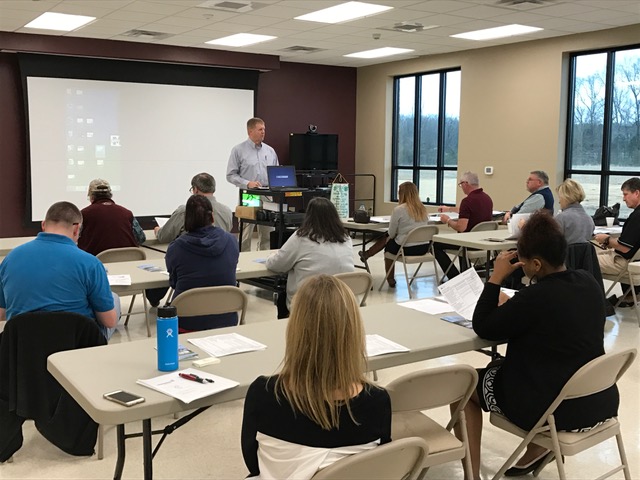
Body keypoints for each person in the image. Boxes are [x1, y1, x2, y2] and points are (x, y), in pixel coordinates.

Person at [460, 212, 618, 480]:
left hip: (554, 410)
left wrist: (495, 278)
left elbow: (484, 327)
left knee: (464, 386)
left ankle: (471, 476)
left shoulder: (534, 298)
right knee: (554, 369)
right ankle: (536, 451)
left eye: (522, 262)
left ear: (535, 263)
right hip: (598, 401)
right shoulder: (588, 282)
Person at [241, 275, 391, 480]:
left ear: (295, 329)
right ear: (354, 331)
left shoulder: (263, 394)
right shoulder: (377, 402)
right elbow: (379, 466)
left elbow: (253, 463)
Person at [0, 201, 119, 341]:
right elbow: (109, 322)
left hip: (23, 347)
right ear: (77, 229)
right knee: (114, 299)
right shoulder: (90, 263)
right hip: (76, 346)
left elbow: (2, 313)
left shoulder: (10, 258)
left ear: (43, 225)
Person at [266, 197, 353, 316]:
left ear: (308, 216)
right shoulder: (346, 238)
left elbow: (276, 265)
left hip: (308, 306)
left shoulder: (301, 237)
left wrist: (272, 256)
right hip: (341, 304)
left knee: (282, 298)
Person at [165, 195, 239, 332]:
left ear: (186, 220)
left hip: (188, 320)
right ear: (212, 217)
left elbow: (174, 283)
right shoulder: (231, 241)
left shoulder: (176, 248)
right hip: (226, 319)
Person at [358, 181, 429, 288]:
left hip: (406, 249)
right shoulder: (423, 209)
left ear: (402, 194)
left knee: (388, 243)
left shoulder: (399, 210)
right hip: (424, 247)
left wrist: (396, 234)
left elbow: (391, 233)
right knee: (390, 239)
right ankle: (367, 254)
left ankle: (390, 278)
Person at [226, 117, 279, 251]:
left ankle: (264, 261)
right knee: (246, 233)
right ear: (250, 131)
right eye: (260, 129)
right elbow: (230, 175)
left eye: (264, 129)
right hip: (250, 196)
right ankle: (243, 262)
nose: (263, 132)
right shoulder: (238, 150)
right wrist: (247, 183)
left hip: (267, 195)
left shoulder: (270, 151)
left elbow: (276, 172)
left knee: (267, 232)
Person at [433, 171, 494, 279]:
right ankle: (465, 274)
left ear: (466, 183)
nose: (461, 187)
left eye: (460, 184)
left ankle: (455, 277)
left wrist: (447, 220)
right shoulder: (487, 198)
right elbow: (467, 211)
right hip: (483, 240)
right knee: (460, 237)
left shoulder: (467, 200)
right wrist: (449, 209)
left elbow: (461, 228)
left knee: (435, 244)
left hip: (468, 243)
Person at [594, 177, 640, 308]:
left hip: (625, 263)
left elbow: (624, 248)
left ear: (637, 193)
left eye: (626, 194)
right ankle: (631, 295)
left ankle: (594, 303)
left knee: (585, 259)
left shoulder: (637, 217)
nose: (624, 199)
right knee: (593, 253)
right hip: (635, 260)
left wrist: (606, 239)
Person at [154, 172, 232, 243]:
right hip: (219, 256)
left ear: (196, 189)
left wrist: (158, 231)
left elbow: (164, 237)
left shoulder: (184, 211)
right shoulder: (227, 211)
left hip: (191, 256)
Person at [78, 178, 145, 256]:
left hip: (97, 263)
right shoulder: (127, 213)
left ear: (91, 197)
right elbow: (141, 238)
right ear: (110, 195)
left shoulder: (83, 214)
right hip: (128, 261)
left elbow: (73, 238)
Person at [554, 178, 594, 244]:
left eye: (560, 197)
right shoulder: (589, 219)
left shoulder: (561, 218)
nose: (559, 201)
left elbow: (553, 244)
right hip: (584, 254)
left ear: (566, 197)